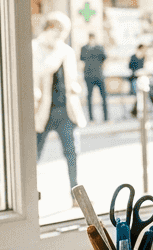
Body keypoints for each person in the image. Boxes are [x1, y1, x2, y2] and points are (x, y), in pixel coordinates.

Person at [33, 11, 86, 193]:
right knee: (34, 154)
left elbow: (72, 77)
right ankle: (30, 194)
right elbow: (41, 69)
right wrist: (57, 52)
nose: (61, 36)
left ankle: (76, 195)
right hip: (42, 110)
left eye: (64, 33)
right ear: (49, 28)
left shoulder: (66, 50)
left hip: (66, 109)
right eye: (58, 31)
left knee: (72, 153)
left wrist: (76, 89)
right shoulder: (36, 48)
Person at [79, 32, 109, 122]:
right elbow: (82, 60)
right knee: (89, 97)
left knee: (103, 96)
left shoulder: (99, 48)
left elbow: (105, 59)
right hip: (88, 75)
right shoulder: (84, 48)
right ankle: (91, 118)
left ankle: (106, 117)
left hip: (99, 75)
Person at [127, 45, 146, 117]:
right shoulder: (133, 57)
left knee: (143, 94)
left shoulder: (143, 57)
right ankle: (135, 111)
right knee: (138, 94)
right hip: (135, 78)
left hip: (142, 78)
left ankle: (135, 110)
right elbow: (129, 67)